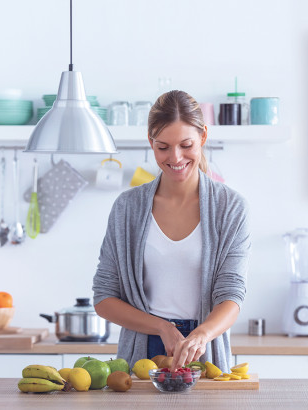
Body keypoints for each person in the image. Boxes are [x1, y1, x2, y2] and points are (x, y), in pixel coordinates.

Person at [92, 90, 250, 373]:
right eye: (163, 147)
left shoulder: (231, 208)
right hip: (143, 349)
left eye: (186, 144)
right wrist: (161, 327)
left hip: (204, 347)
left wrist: (202, 334)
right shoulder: (127, 208)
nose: (175, 158)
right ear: (150, 142)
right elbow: (104, 298)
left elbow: (232, 295)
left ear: (203, 137)